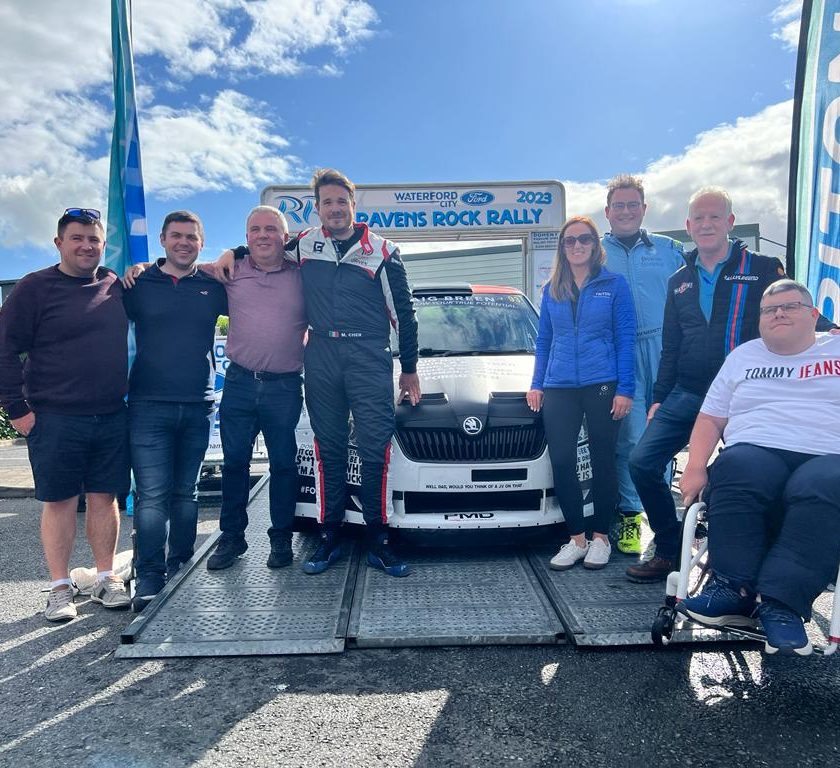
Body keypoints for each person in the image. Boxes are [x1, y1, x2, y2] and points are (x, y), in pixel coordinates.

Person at [626, 188, 838, 583]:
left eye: (714, 217)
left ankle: (767, 558)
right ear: (688, 226)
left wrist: (829, 328)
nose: (706, 224)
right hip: (689, 392)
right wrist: (659, 398)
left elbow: (791, 306)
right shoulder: (679, 280)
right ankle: (671, 548)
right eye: (698, 218)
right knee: (642, 462)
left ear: (729, 222)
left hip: (747, 394)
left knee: (748, 474)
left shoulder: (761, 266)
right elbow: (672, 344)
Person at [217, 169, 421, 577]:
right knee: (328, 447)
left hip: (369, 354)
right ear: (317, 208)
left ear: (353, 205)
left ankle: (377, 537)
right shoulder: (306, 244)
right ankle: (330, 534)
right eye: (327, 202)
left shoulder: (383, 251)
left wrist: (409, 369)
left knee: (374, 448)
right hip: (322, 352)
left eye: (341, 201)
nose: (335, 208)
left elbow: (404, 312)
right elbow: (267, 248)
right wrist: (232, 252)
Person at [677, 280, 840, 655]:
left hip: (826, 454)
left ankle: (781, 604)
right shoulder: (744, 356)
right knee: (735, 466)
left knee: (824, 485)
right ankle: (733, 587)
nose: (778, 313)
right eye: (769, 310)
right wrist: (695, 466)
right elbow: (710, 418)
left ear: (814, 315)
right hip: (755, 448)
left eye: (790, 306)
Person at [0, 208, 131, 621]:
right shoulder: (34, 288)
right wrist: (16, 409)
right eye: (77, 238)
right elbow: (4, 348)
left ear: (103, 245)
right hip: (54, 416)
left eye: (93, 239)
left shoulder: (113, 283)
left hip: (110, 414)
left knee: (104, 497)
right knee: (59, 501)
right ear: (59, 243)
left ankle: (106, 578)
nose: (86, 246)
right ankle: (59, 588)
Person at [122, 211, 228, 610]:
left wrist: (233, 253)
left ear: (201, 243)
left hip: (199, 405)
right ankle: (149, 576)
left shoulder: (213, 286)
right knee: (152, 496)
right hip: (148, 405)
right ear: (163, 240)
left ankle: (181, 566)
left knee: (187, 492)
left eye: (191, 237)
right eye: (176, 236)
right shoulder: (137, 284)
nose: (184, 242)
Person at [526, 216, 636, 571]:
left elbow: (626, 339)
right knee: (561, 460)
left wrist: (625, 389)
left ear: (595, 244)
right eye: (570, 240)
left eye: (584, 239)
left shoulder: (614, 285)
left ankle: (600, 537)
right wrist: (537, 383)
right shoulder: (552, 289)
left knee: (603, 458)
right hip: (559, 385)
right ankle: (576, 539)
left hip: (602, 382)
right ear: (562, 247)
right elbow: (544, 341)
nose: (577, 246)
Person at [205, 206, 307, 571]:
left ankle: (281, 537)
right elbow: (180, 268)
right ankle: (232, 537)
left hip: (284, 386)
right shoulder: (231, 270)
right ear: (246, 237)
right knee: (234, 464)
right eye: (255, 230)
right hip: (240, 383)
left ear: (285, 237)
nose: (263, 235)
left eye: (271, 229)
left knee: (283, 465)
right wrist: (143, 268)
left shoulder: (303, 274)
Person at [602, 175, 685, 555]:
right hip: (621, 353)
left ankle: (663, 517)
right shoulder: (596, 251)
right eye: (618, 205)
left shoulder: (669, 249)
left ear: (644, 208)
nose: (626, 211)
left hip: (667, 350)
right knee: (632, 439)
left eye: (632, 204)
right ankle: (631, 515)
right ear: (607, 212)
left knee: (663, 436)